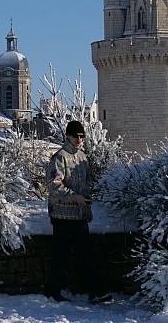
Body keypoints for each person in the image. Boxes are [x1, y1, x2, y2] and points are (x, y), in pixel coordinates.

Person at [44, 119, 108, 303]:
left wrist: (87, 206)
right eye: (75, 135)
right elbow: (53, 184)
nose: (79, 139)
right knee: (60, 256)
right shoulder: (60, 157)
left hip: (79, 215)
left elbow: (86, 186)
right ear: (68, 136)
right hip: (62, 214)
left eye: (81, 136)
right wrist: (74, 197)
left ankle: (95, 291)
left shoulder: (83, 158)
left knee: (87, 255)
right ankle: (53, 292)